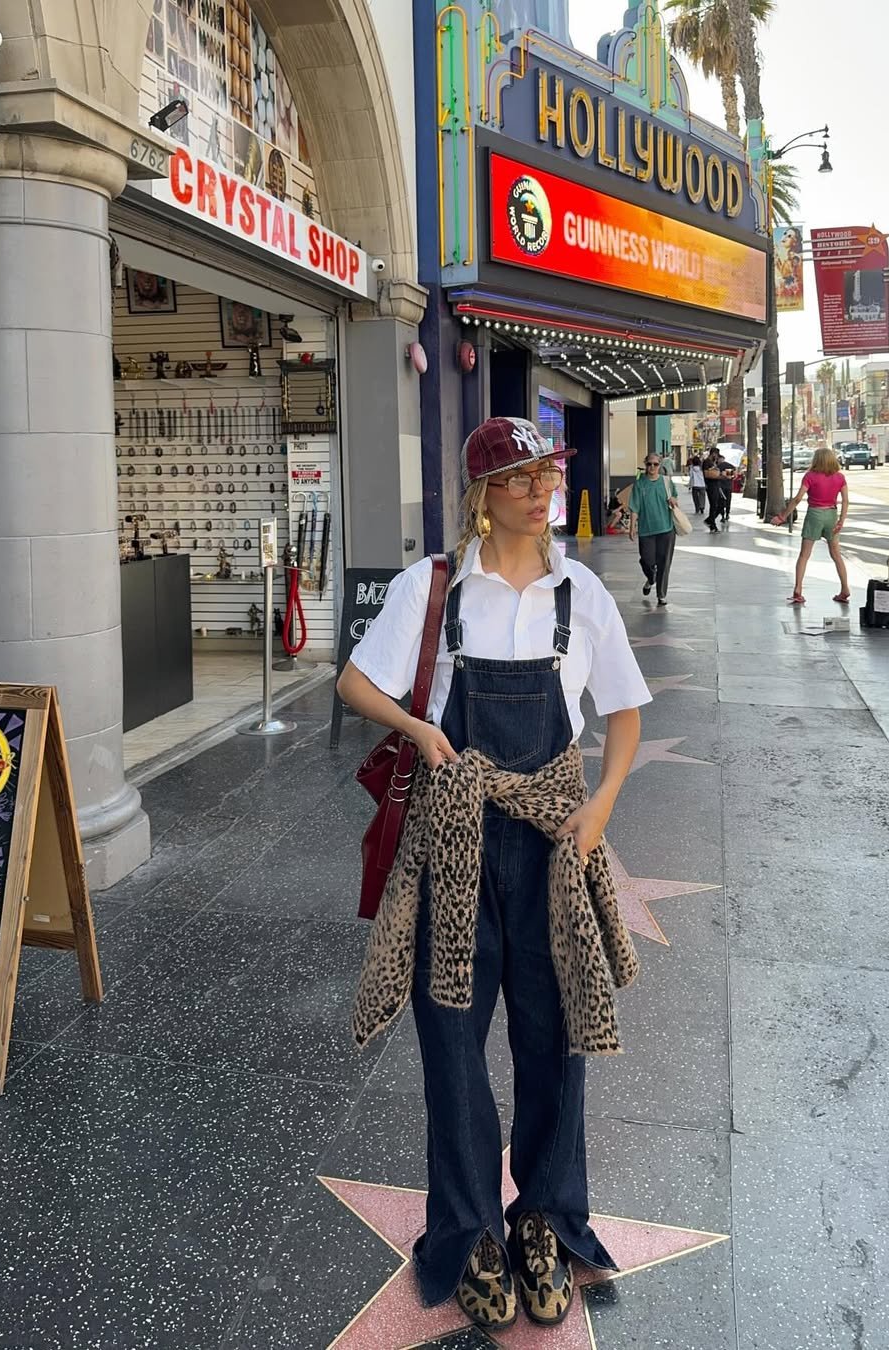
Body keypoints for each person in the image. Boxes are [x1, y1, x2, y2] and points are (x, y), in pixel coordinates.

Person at [337, 416, 649, 1333]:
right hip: (456, 840)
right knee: (452, 1043)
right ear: (483, 496)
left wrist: (601, 811)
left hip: (555, 844)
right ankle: (469, 1230)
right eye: (521, 476)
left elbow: (624, 712)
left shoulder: (579, 592)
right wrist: (425, 733)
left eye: (547, 470)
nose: (542, 487)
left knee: (555, 1043)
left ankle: (547, 1220)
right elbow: (358, 682)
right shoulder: (433, 588)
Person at [771, 444, 851, 605]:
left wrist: (783, 516)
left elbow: (798, 498)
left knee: (804, 555)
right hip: (831, 514)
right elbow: (846, 501)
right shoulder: (839, 477)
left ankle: (798, 589)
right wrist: (841, 521)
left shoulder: (810, 476)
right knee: (836, 555)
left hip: (814, 514)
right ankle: (845, 589)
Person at [628, 452, 679, 605]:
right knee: (646, 560)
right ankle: (651, 578)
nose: (652, 467)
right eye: (649, 464)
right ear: (645, 465)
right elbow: (634, 507)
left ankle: (661, 595)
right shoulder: (639, 484)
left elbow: (675, 498)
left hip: (666, 528)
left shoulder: (666, 482)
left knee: (664, 562)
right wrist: (632, 527)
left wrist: (673, 500)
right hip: (646, 530)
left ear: (660, 465)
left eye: (655, 464)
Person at [703, 448, 724, 532]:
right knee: (714, 505)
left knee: (721, 503)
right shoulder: (707, 462)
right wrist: (720, 476)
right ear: (713, 454)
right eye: (716, 455)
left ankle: (710, 520)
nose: (717, 457)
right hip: (711, 486)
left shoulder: (713, 463)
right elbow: (707, 474)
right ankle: (712, 523)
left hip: (716, 485)